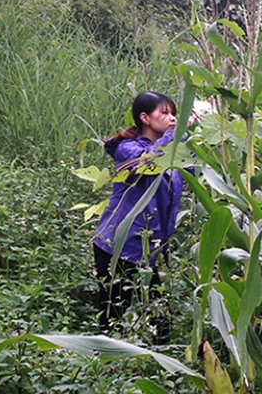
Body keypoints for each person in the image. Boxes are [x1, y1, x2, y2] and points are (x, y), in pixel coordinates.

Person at [93, 91, 185, 341]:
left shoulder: (175, 153)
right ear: (144, 118)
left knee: (162, 320)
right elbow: (149, 162)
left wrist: (213, 127)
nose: (173, 118)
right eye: (164, 113)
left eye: (175, 113)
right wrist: (173, 136)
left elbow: (205, 163)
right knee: (113, 318)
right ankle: (107, 367)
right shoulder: (127, 148)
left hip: (149, 247)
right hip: (117, 245)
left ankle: (162, 370)